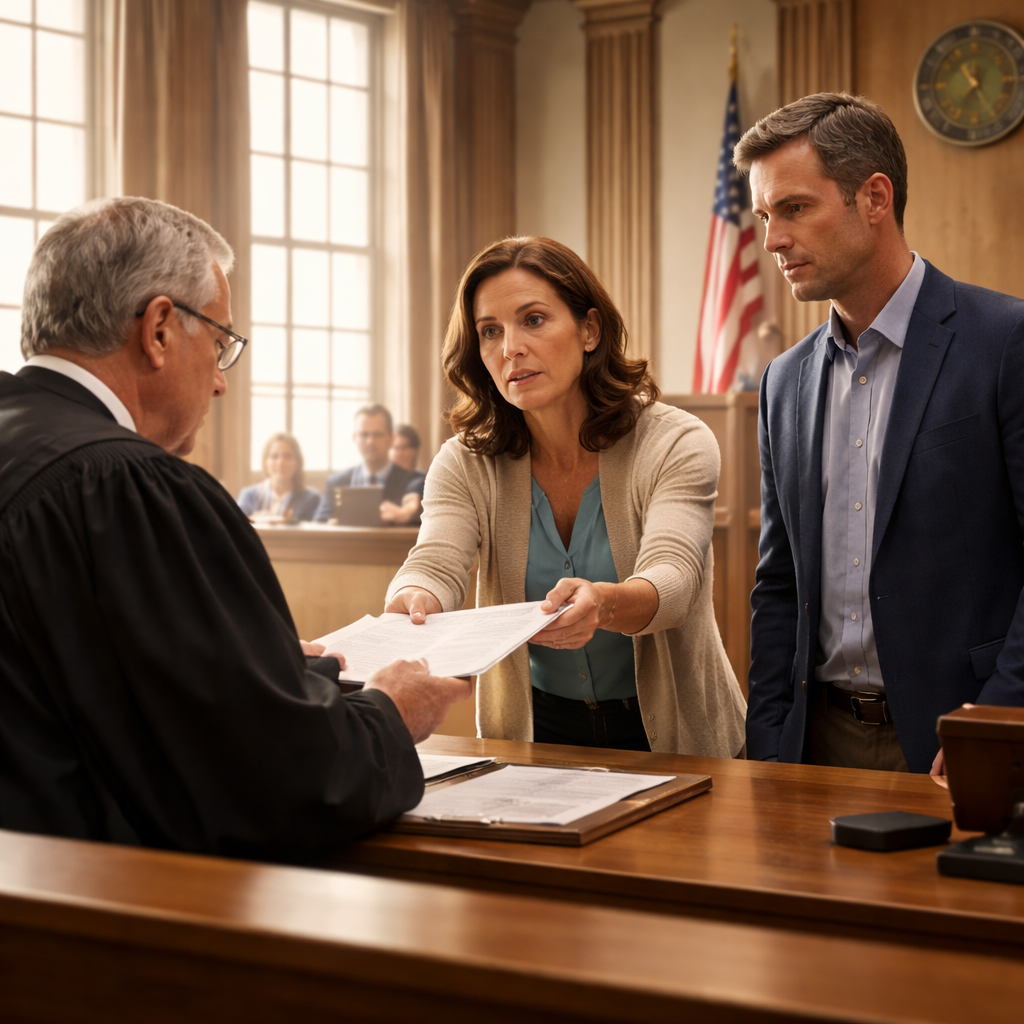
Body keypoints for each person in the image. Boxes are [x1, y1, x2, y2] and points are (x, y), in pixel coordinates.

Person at [0, 196, 471, 860]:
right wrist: (389, 714)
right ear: (160, 328)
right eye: (219, 343)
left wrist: (258, 671)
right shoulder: (126, 486)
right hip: (81, 915)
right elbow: (275, 785)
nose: (221, 383)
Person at [737, 93, 1024, 775]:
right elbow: (779, 583)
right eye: (764, 216)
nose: (773, 239)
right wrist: (772, 739)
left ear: (874, 198)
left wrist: (996, 720)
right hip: (815, 747)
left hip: (966, 737)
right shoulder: (784, 380)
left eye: (795, 208)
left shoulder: (1005, 342)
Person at [384, 237, 746, 755]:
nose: (510, 348)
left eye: (533, 319)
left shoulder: (675, 440)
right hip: (537, 733)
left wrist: (604, 603)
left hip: (677, 734)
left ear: (589, 330)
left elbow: (676, 580)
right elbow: (436, 561)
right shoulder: (465, 461)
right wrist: (414, 598)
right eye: (490, 332)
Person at [314, 405, 426, 526]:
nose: (370, 441)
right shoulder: (336, 482)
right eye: (363, 435)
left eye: (377, 434)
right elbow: (319, 525)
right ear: (354, 438)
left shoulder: (415, 481)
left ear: (391, 439)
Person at [238, 432, 321, 521]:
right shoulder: (248, 496)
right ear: (265, 462)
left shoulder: (312, 498)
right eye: (274, 456)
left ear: (298, 462)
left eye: (287, 456)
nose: (280, 462)